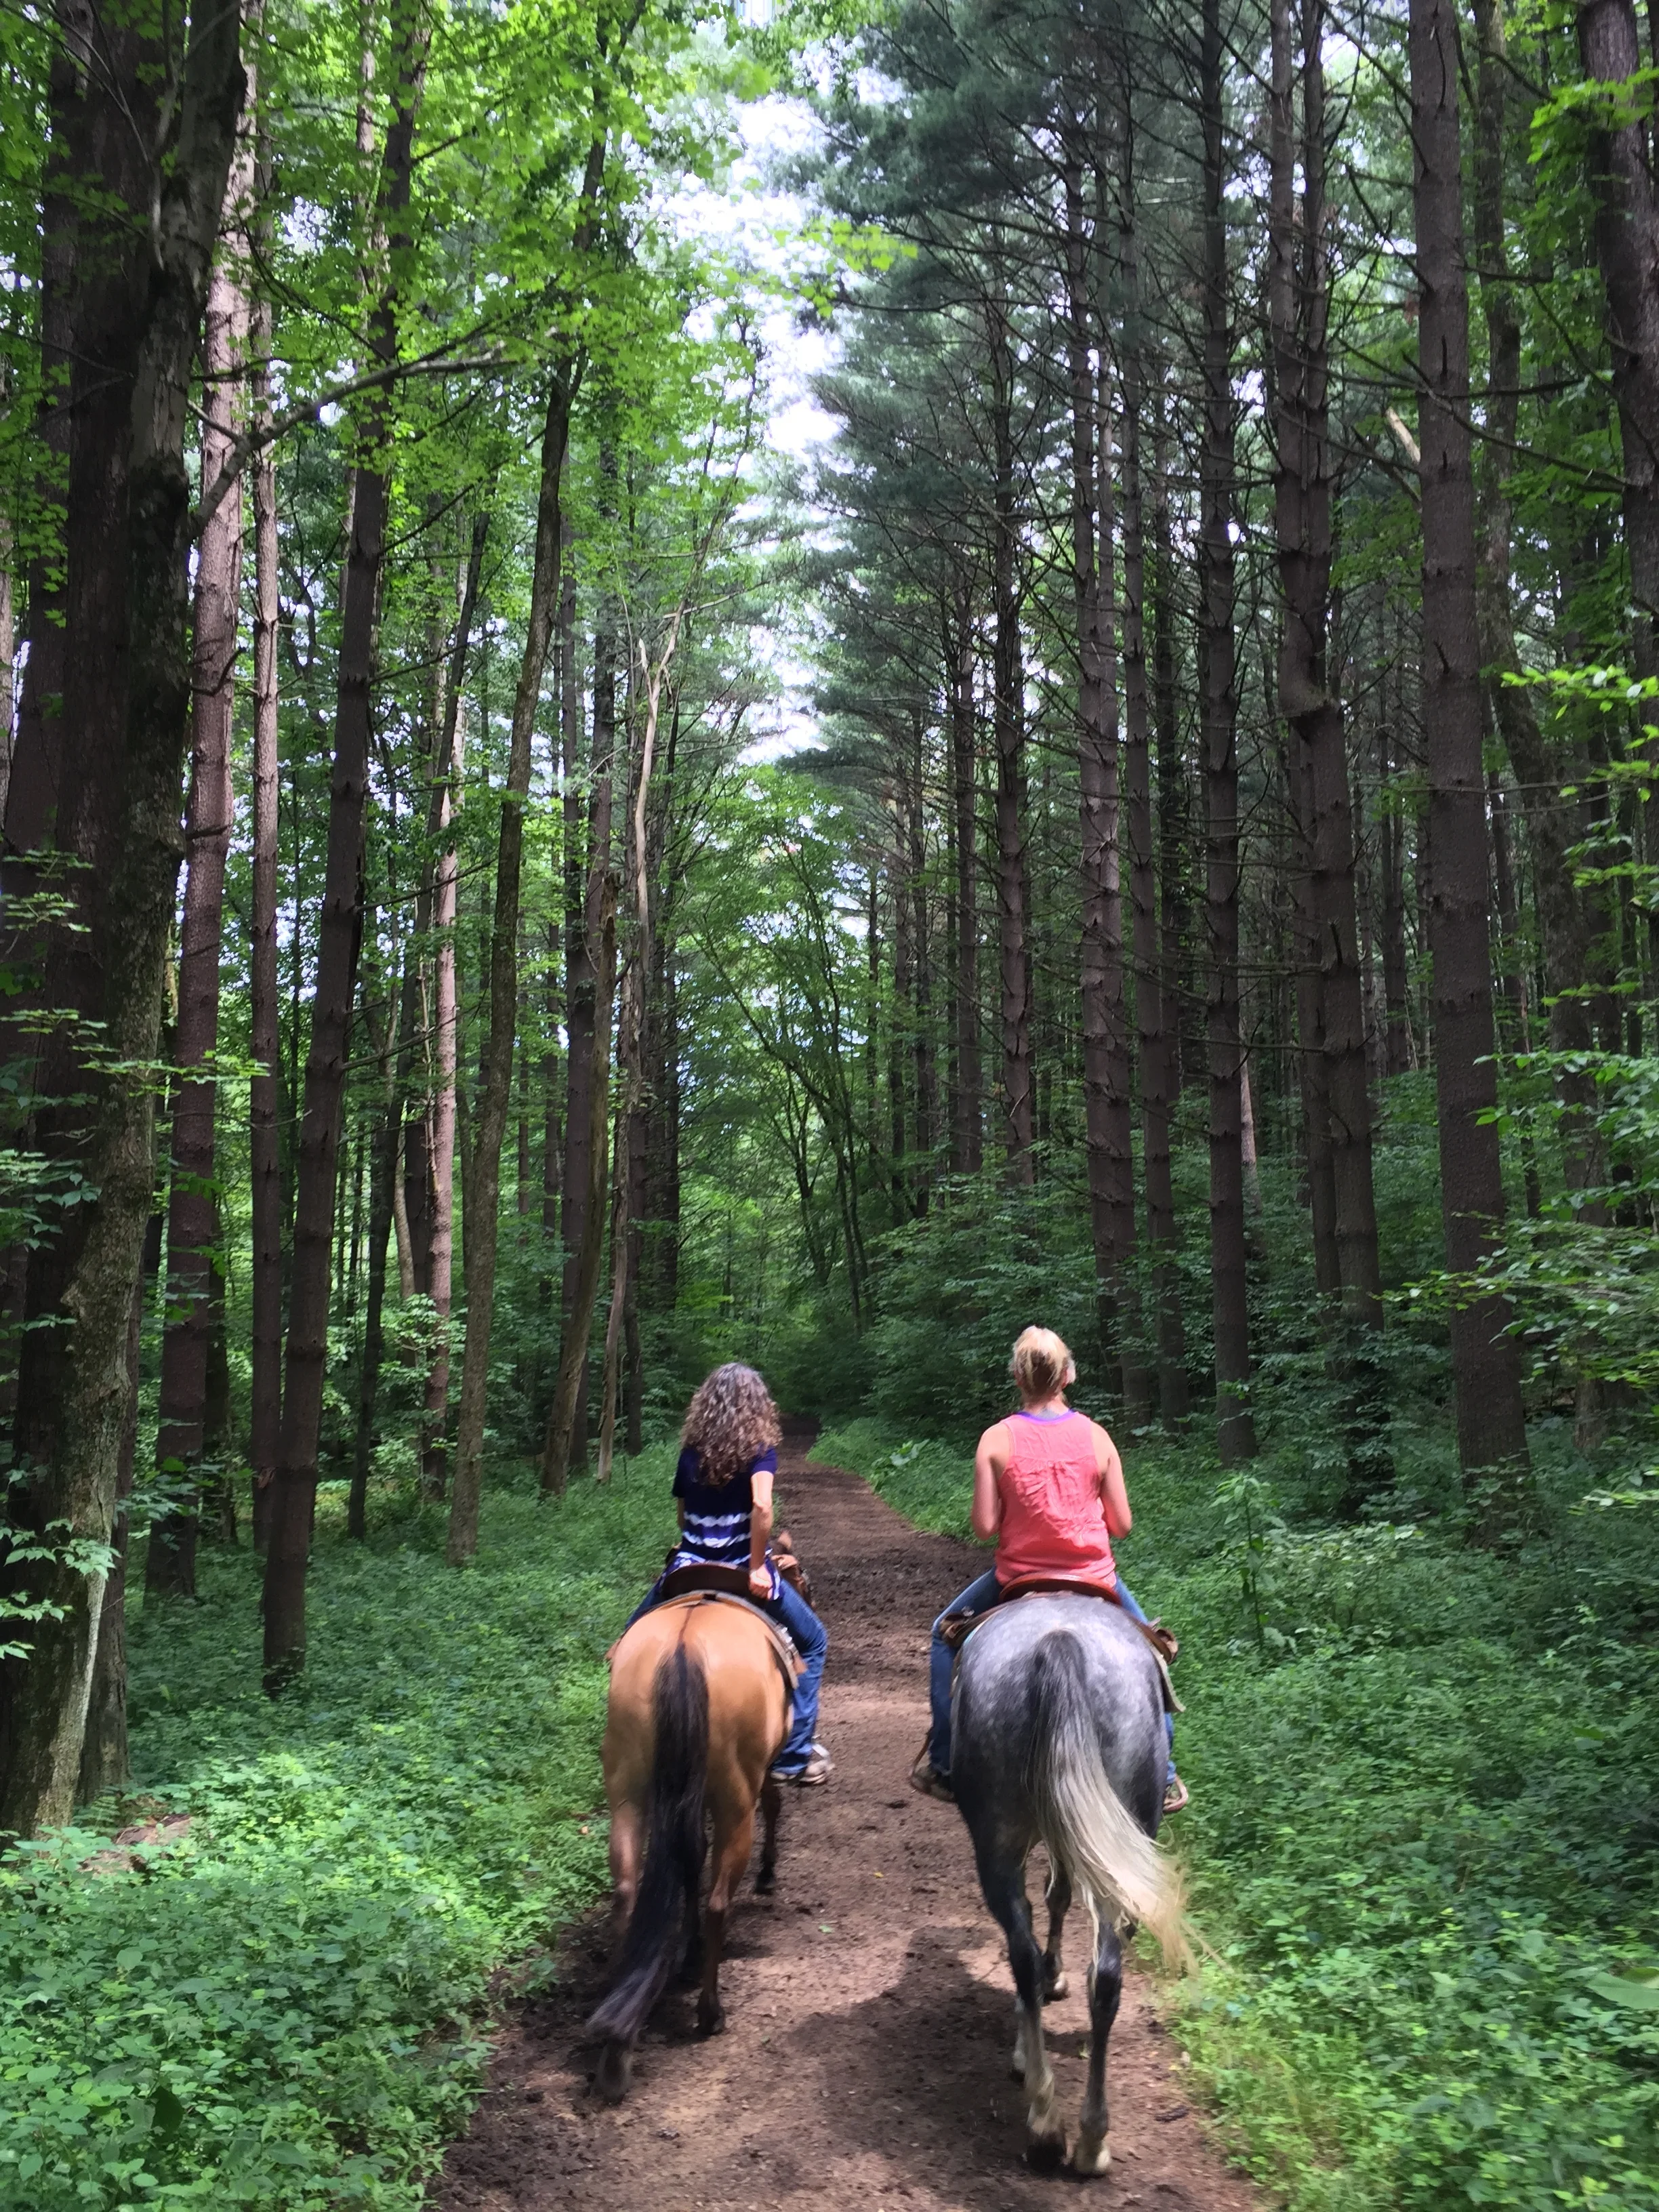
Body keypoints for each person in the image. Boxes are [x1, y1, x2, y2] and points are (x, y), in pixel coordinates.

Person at [909, 1325, 1185, 1814]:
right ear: (1068, 1376)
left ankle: (945, 1761)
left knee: (941, 1635)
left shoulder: (996, 1439)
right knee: (1154, 1656)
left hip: (1017, 1578)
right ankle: (1163, 1776)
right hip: (1095, 1578)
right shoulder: (1098, 1438)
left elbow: (984, 1527)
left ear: (1018, 1376)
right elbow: (1122, 1524)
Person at [626, 1361, 832, 1786]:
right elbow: (761, 1506)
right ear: (757, 1406)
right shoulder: (760, 1449)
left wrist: (702, 1542)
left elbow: (683, 1517)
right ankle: (793, 1756)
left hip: (689, 1569)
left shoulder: (689, 1453)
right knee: (813, 1641)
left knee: (628, 1642)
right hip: (741, 1569)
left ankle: (633, 1733)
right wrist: (756, 1565)